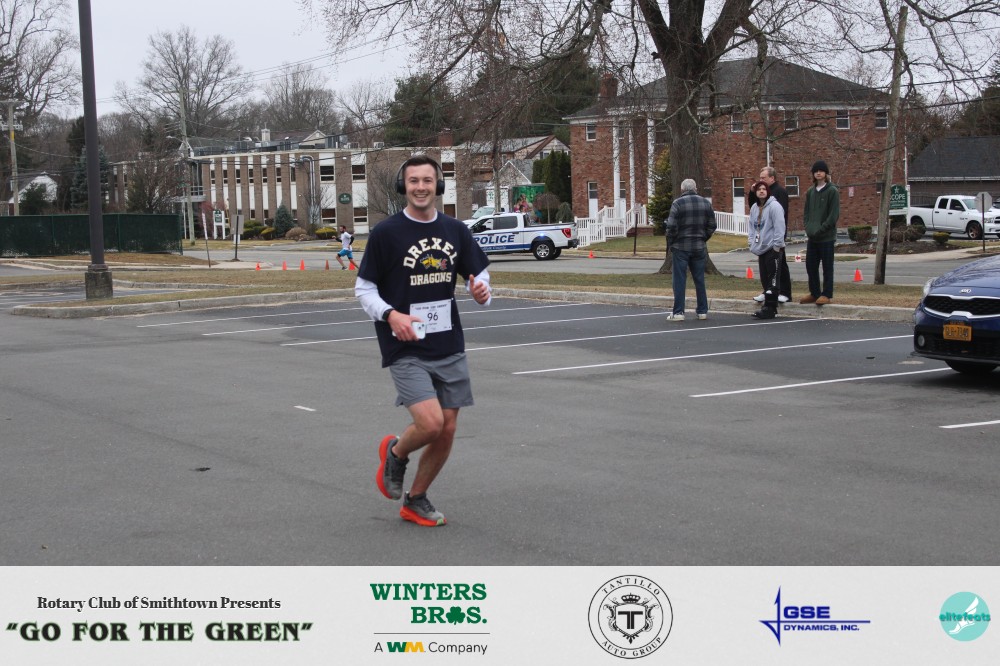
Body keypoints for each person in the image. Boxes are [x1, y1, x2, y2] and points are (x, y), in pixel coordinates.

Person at [355, 155, 492, 527]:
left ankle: (415, 499)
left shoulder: (455, 230)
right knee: (431, 423)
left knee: (447, 430)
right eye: (413, 180)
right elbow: (364, 289)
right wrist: (391, 315)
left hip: (448, 344)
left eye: (427, 180)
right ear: (404, 186)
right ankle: (396, 453)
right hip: (405, 344)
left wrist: (481, 291)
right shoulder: (386, 233)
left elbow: (478, 276)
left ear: (438, 186)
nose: (420, 187)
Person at [664, 178, 716, 321]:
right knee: (699, 279)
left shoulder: (678, 203)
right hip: (699, 246)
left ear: (682, 189)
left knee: (679, 280)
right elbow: (712, 225)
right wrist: (703, 237)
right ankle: (702, 311)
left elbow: (671, 226)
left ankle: (679, 312)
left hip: (681, 246)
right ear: (695, 188)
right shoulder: (706, 203)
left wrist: (672, 241)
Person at [800, 161, 840, 305]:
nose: (818, 173)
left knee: (827, 267)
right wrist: (808, 227)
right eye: (816, 171)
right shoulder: (810, 191)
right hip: (813, 237)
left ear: (825, 173)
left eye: (821, 171)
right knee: (811, 266)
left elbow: (833, 215)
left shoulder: (832, 191)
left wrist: (821, 229)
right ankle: (814, 293)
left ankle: (826, 294)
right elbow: (806, 213)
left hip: (826, 237)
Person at [747, 181, 786, 319]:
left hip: (772, 248)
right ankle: (767, 306)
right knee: (764, 278)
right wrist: (751, 243)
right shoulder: (754, 208)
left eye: (764, 189)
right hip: (760, 249)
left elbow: (779, 227)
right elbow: (751, 227)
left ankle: (770, 308)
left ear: (768, 191)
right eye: (759, 189)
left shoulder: (775, 206)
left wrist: (777, 246)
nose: (762, 191)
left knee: (773, 279)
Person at [757, 166, 791, 304]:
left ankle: (785, 292)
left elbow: (780, 216)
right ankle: (768, 290)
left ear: (772, 178)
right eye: (760, 178)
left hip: (776, 236)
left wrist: (780, 237)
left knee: (780, 265)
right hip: (765, 235)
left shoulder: (779, 192)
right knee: (766, 266)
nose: (761, 180)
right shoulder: (764, 192)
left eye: (763, 178)